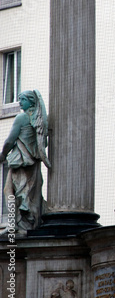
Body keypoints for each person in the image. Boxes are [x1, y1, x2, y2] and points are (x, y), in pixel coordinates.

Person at [0, 90, 50, 233]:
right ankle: (28, 223)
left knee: (9, 191)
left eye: (22, 99)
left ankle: (12, 225)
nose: (20, 102)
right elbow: (43, 143)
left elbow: (10, 140)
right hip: (34, 163)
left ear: (31, 101)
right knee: (30, 194)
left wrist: (3, 154)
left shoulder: (21, 117)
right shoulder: (38, 119)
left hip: (20, 162)